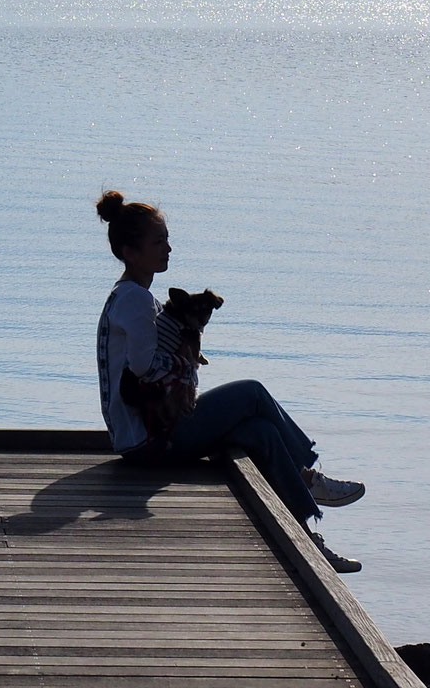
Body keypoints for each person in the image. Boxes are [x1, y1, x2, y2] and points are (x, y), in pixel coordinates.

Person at [94, 190, 367, 573]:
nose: (168, 248)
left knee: (261, 433)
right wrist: (186, 371)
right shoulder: (136, 300)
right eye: (158, 242)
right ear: (129, 251)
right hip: (151, 439)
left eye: (167, 239)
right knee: (252, 393)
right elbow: (143, 369)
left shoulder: (130, 297)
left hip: (141, 438)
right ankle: (309, 478)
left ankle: (308, 539)